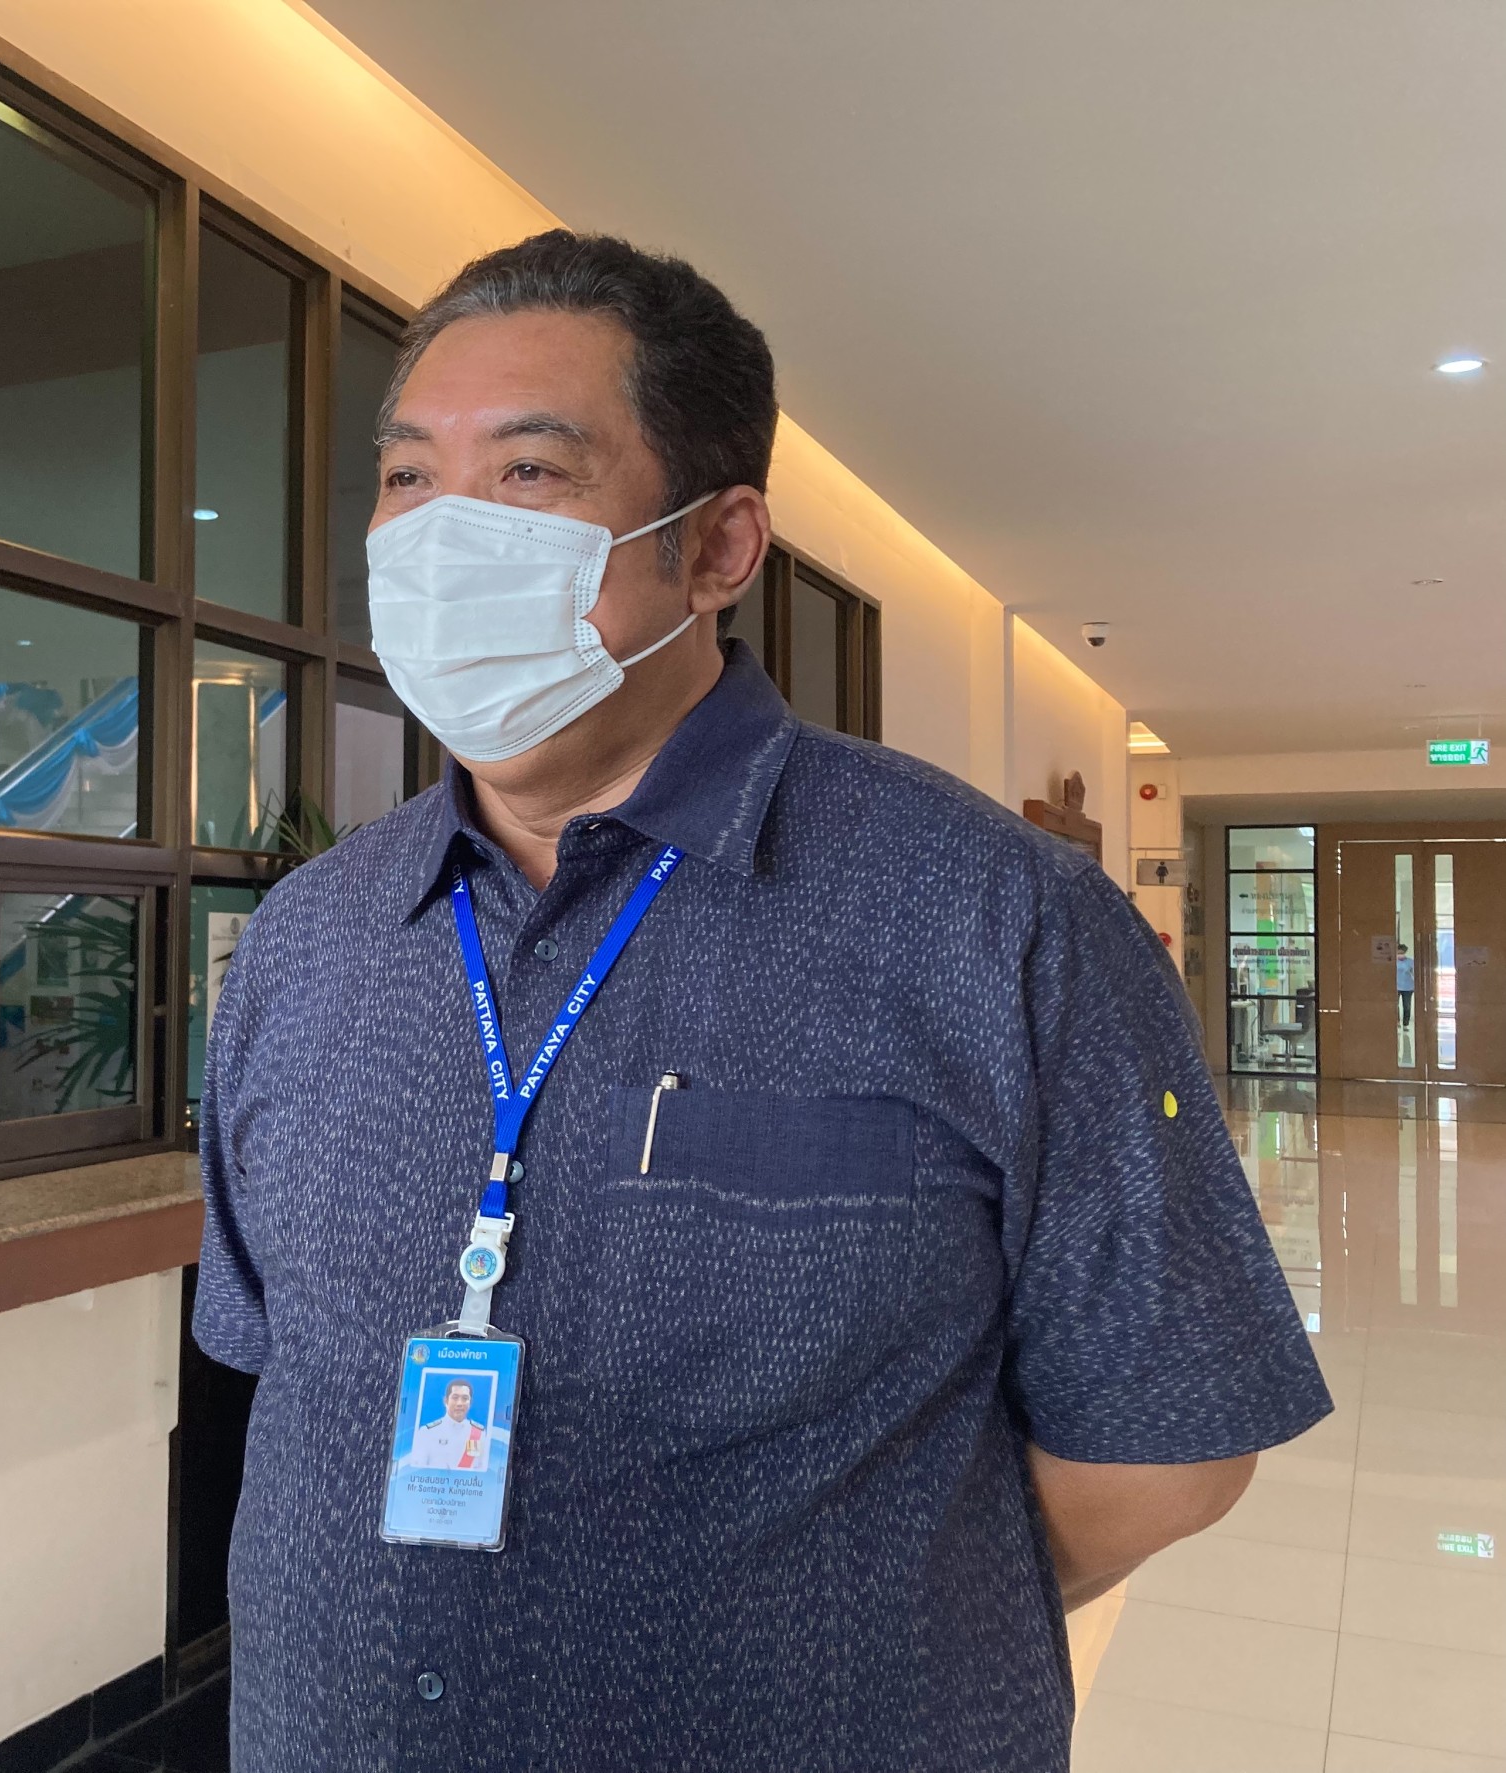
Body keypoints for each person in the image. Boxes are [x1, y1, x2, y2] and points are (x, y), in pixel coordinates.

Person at [194, 231, 1330, 1772]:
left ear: (720, 549)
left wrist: (857, 1610)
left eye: (529, 473)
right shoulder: (307, 938)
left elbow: (1162, 1449)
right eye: (408, 477)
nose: (445, 533)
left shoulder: (1000, 920)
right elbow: (280, 1373)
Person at [406, 1379, 489, 1471]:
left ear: (470, 1402)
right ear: (446, 1401)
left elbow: (482, 1470)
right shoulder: (427, 1432)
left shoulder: (479, 1433)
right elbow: (418, 1470)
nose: (459, 1403)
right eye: (455, 1398)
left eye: (465, 1398)